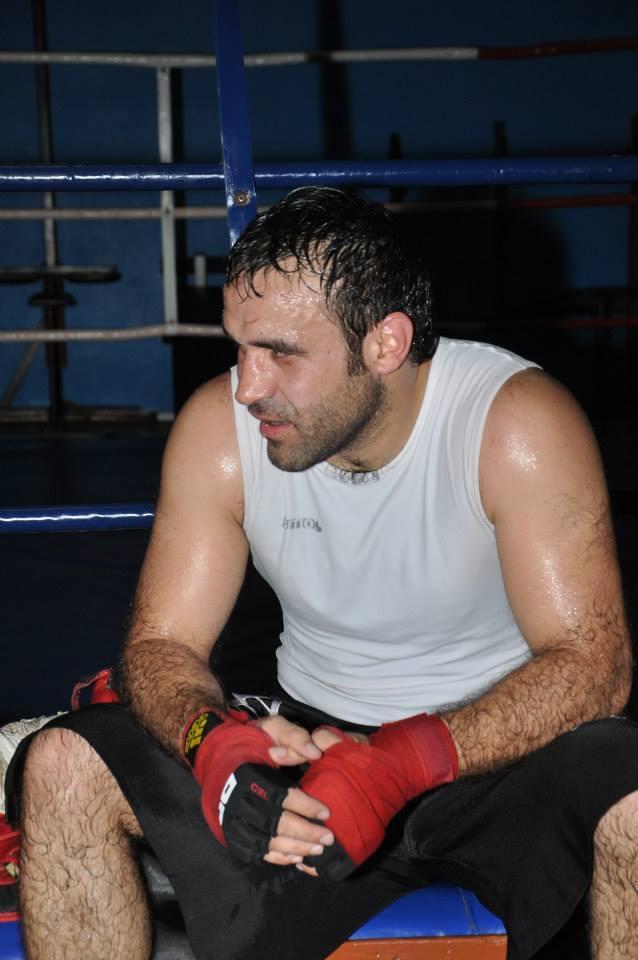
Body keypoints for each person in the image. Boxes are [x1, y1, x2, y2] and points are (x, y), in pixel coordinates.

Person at [6, 186, 638, 960]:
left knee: (631, 792)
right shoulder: (221, 430)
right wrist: (212, 743)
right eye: (239, 347)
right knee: (63, 764)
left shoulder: (513, 424)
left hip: (499, 757)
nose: (248, 385)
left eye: (281, 353)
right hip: (311, 755)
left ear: (385, 343)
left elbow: (595, 666)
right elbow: (161, 644)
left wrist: (402, 763)